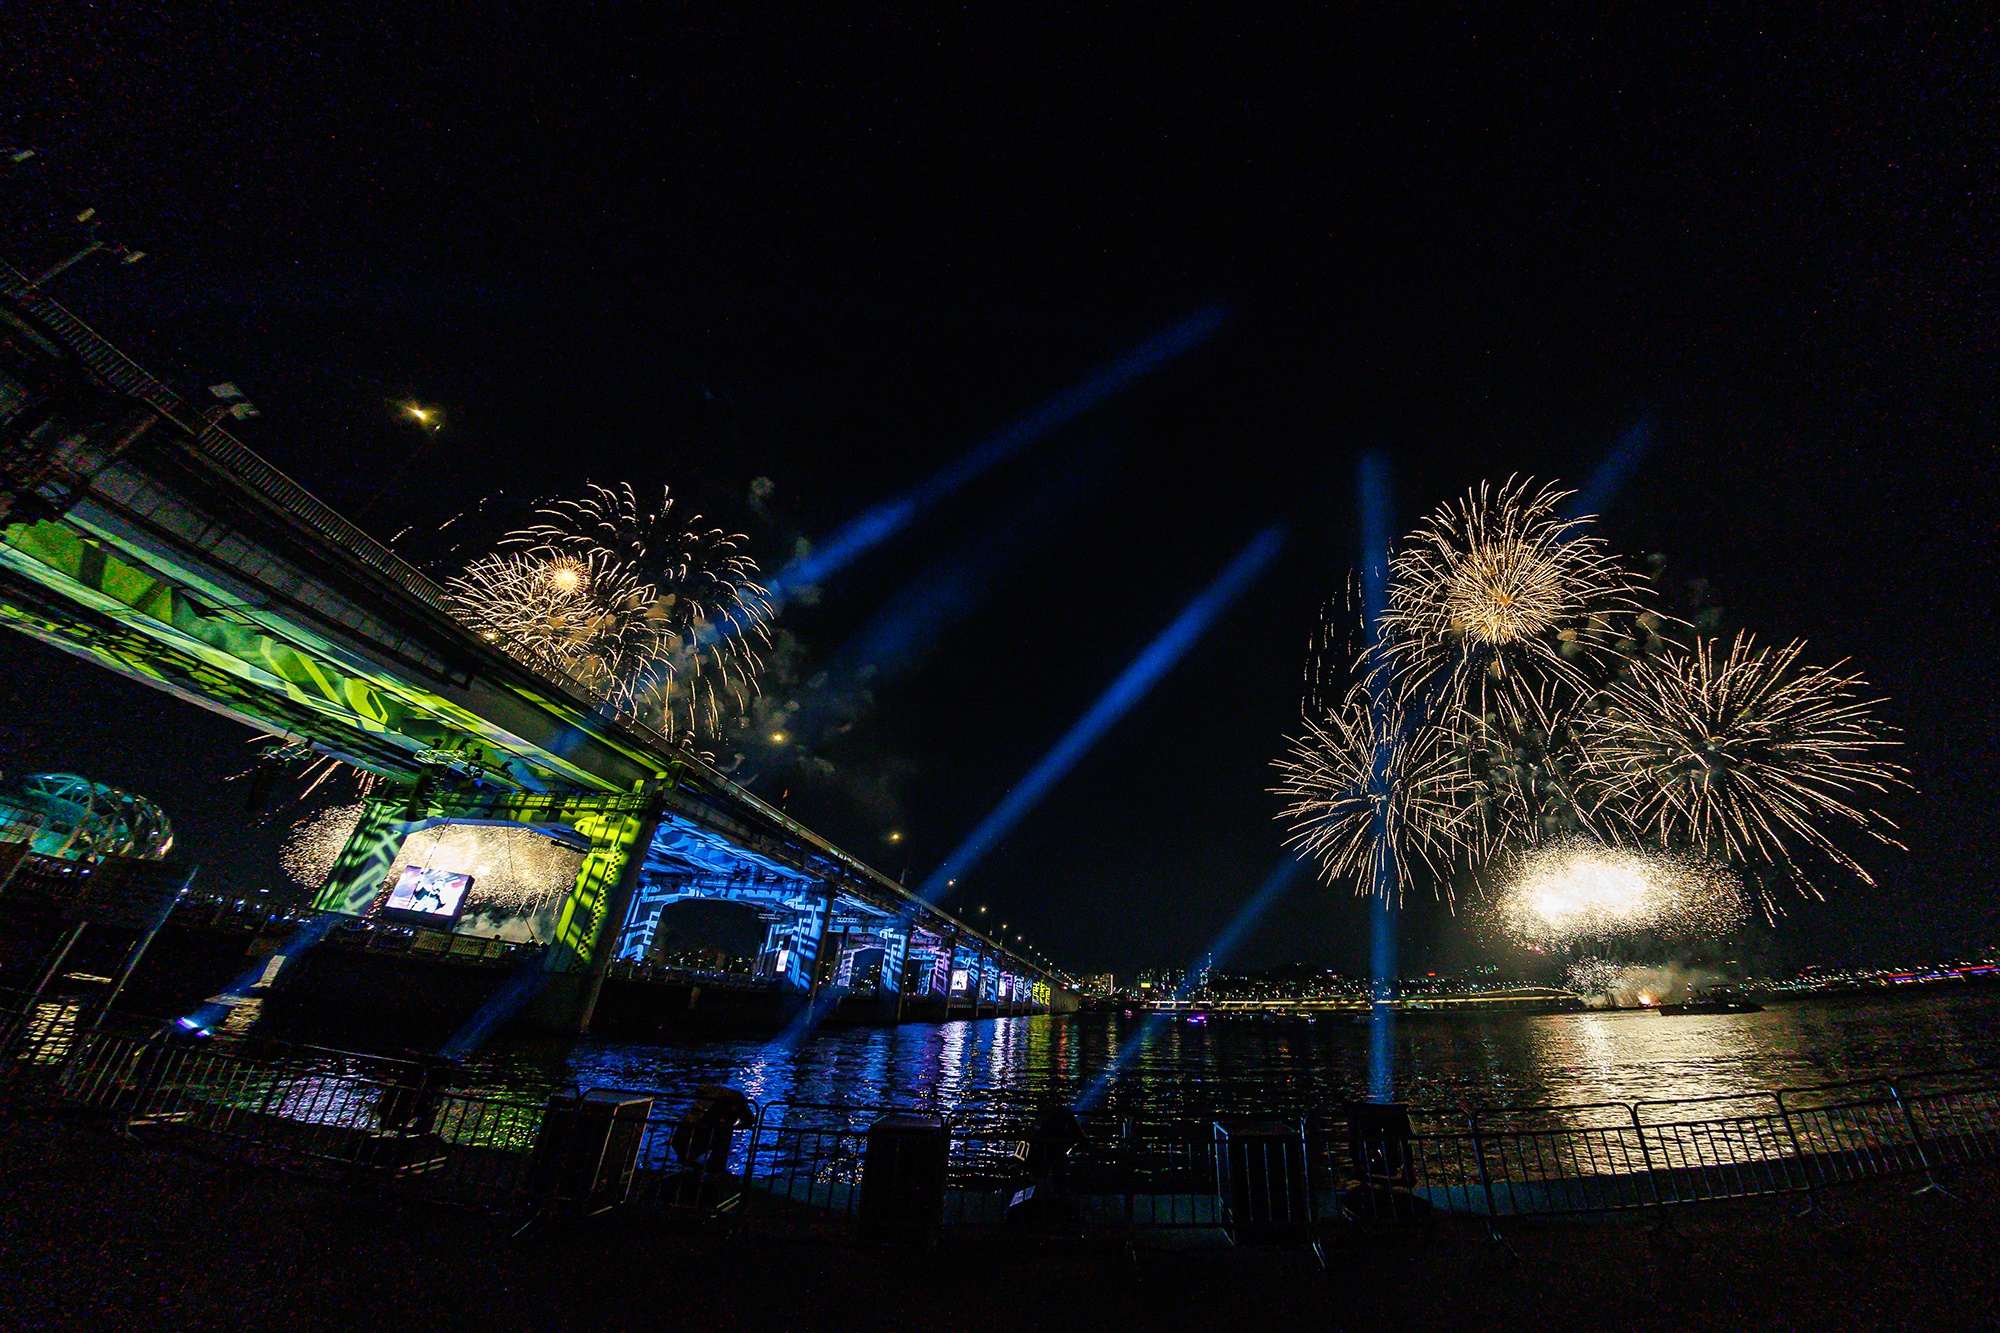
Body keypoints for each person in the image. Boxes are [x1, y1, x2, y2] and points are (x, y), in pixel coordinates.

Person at [671, 1084, 754, 1176]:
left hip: (684, 1139)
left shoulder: (708, 1101)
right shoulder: (730, 1103)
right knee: (724, 1130)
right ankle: (715, 1170)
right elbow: (749, 1120)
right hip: (693, 1139)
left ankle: (708, 1169)